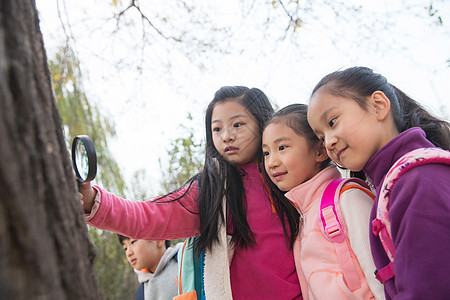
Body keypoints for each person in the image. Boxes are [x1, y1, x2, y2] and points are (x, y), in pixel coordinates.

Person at [80, 86, 302, 299]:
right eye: (217, 128)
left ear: (262, 123)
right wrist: (93, 202)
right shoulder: (211, 191)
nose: (226, 136)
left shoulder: (293, 174)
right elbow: (150, 216)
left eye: (238, 124)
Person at [306, 66, 450, 299]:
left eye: (332, 122)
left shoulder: (417, 181)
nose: (329, 142)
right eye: (321, 137)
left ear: (378, 106)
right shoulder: (394, 182)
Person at [262, 103, 385, 300]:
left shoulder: (347, 197)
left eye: (282, 147)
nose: (271, 162)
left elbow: (381, 276)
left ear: (320, 151)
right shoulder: (303, 215)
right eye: (266, 152)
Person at [118, 235, 181, 300]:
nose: (129, 253)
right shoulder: (142, 293)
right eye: (125, 248)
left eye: (133, 242)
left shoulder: (184, 262)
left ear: (158, 240)